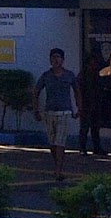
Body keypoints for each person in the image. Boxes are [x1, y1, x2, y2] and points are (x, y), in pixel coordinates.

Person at [32, 47, 80, 180]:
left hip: (64, 112)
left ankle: (58, 170)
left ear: (63, 60)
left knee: (60, 142)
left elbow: (77, 91)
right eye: (53, 57)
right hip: (49, 112)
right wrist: (36, 110)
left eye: (58, 57)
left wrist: (78, 108)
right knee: (52, 142)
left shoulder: (69, 75)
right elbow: (36, 92)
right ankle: (56, 163)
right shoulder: (46, 76)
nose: (56, 60)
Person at [77, 41, 108, 157]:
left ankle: (97, 147)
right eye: (93, 63)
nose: (95, 65)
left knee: (95, 127)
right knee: (84, 127)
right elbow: (78, 91)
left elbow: (100, 88)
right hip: (86, 104)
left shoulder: (96, 75)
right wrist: (80, 104)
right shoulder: (83, 76)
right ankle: (82, 148)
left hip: (96, 103)